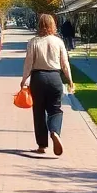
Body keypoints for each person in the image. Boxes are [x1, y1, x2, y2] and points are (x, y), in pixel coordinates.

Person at [21, 13, 74, 157]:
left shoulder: (33, 42)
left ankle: (42, 145)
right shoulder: (58, 42)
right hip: (55, 77)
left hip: (38, 78)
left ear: (39, 25)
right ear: (53, 25)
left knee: (38, 112)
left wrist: (24, 79)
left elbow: (28, 62)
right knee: (55, 109)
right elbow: (65, 63)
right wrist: (70, 80)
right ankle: (55, 131)